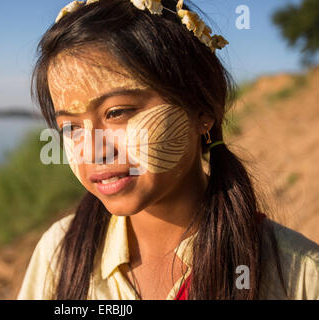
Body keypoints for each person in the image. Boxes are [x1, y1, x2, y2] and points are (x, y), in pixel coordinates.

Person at [17, 0, 318, 300]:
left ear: (202, 110)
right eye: (71, 127)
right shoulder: (59, 253)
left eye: (117, 112)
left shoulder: (299, 276)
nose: (93, 152)